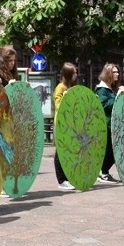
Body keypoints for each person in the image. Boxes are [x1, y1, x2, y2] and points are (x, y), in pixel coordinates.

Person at [94, 63, 124, 184]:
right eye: (114, 72)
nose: (117, 74)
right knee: (111, 150)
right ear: (108, 74)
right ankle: (103, 172)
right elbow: (104, 106)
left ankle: (104, 172)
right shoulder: (102, 90)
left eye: (118, 72)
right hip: (106, 124)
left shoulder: (109, 89)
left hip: (112, 124)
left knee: (113, 150)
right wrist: (118, 96)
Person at [53, 62, 78, 190]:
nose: (76, 75)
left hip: (69, 124)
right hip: (61, 124)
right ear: (68, 74)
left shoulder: (69, 87)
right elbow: (58, 105)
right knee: (60, 152)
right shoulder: (60, 88)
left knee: (68, 151)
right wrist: (65, 99)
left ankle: (67, 177)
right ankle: (62, 180)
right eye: (74, 73)